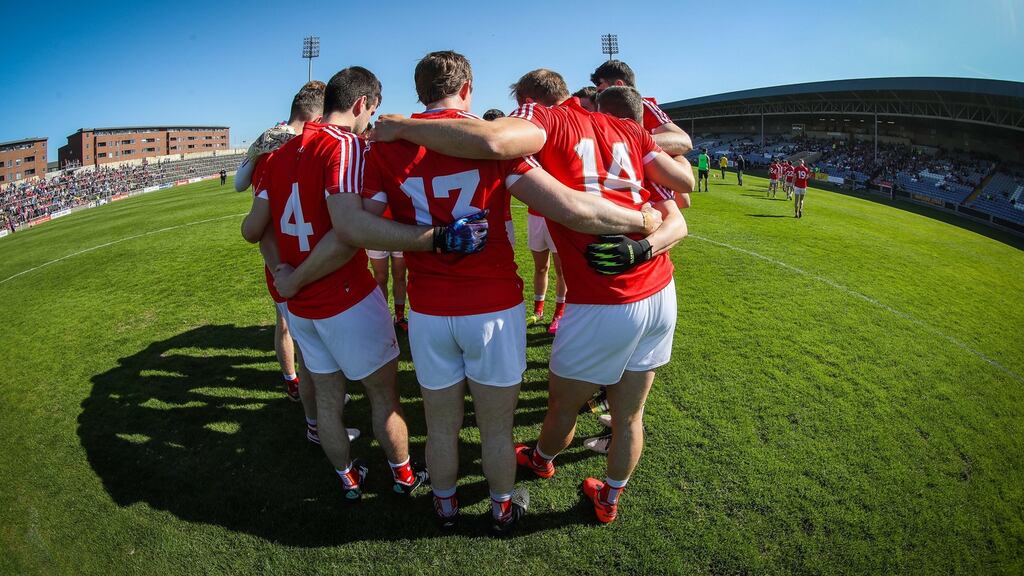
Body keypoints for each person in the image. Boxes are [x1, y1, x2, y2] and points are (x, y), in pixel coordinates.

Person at [337, 53, 662, 534]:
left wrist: (429, 239)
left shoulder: (387, 144)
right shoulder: (490, 140)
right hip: (493, 306)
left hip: (429, 308)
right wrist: (642, 220)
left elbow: (361, 228)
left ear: (420, 92)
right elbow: (569, 207)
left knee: (440, 424)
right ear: (467, 88)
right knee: (495, 427)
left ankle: (445, 507)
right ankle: (502, 508)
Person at [246, 67, 444, 502]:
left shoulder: (279, 153)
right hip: (346, 296)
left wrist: (283, 274)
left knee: (327, 400)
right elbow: (348, 231)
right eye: (370, 111)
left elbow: (254, 229)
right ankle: (404, 475)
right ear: (360, 105)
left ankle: (348, 479)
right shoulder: (347, 145)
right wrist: (295, 277)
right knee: (383, 396)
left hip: (301, 307)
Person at [239, 81, 357, 445]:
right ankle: (318, 423)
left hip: (284, 263)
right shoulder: (293, 149)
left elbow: (242, 190)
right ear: (317, 117)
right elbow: (257, 227)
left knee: (296, 336)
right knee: (313, 352)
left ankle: (312, 411)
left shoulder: (270, 145)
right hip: (299, 262)